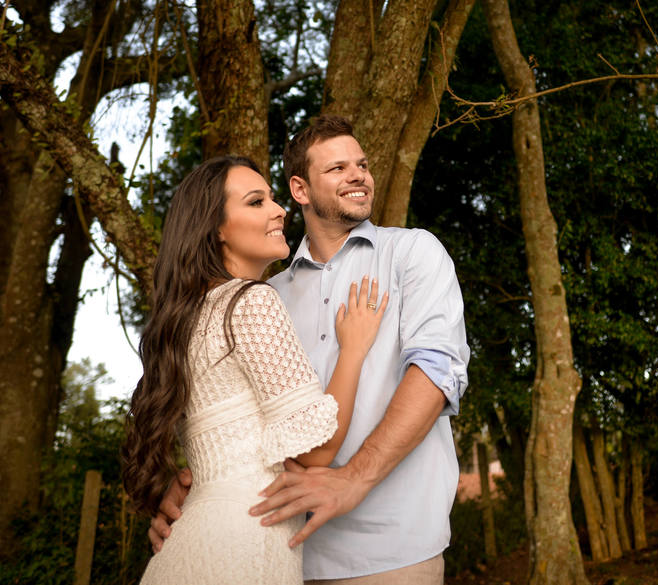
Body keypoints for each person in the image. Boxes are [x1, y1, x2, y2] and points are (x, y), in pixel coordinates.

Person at [151, 116, 470, 584]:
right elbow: (246, 420)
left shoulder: (412, 254)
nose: (358, 174)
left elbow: (438, 373)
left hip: (393, 548)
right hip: (282, 549)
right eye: (337, 168)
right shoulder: (264, 293)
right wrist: (201, 487)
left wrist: (353, 479)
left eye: (361, 164)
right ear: (300, 190)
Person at [121, 155, 388, 585]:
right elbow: (316, 452)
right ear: (216, 230)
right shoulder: (251, 302)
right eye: (255, 201)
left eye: (271, 197)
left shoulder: (186, 321)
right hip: (246, 543)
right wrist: (353, 350)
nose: (278, 209)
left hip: (186, 546)